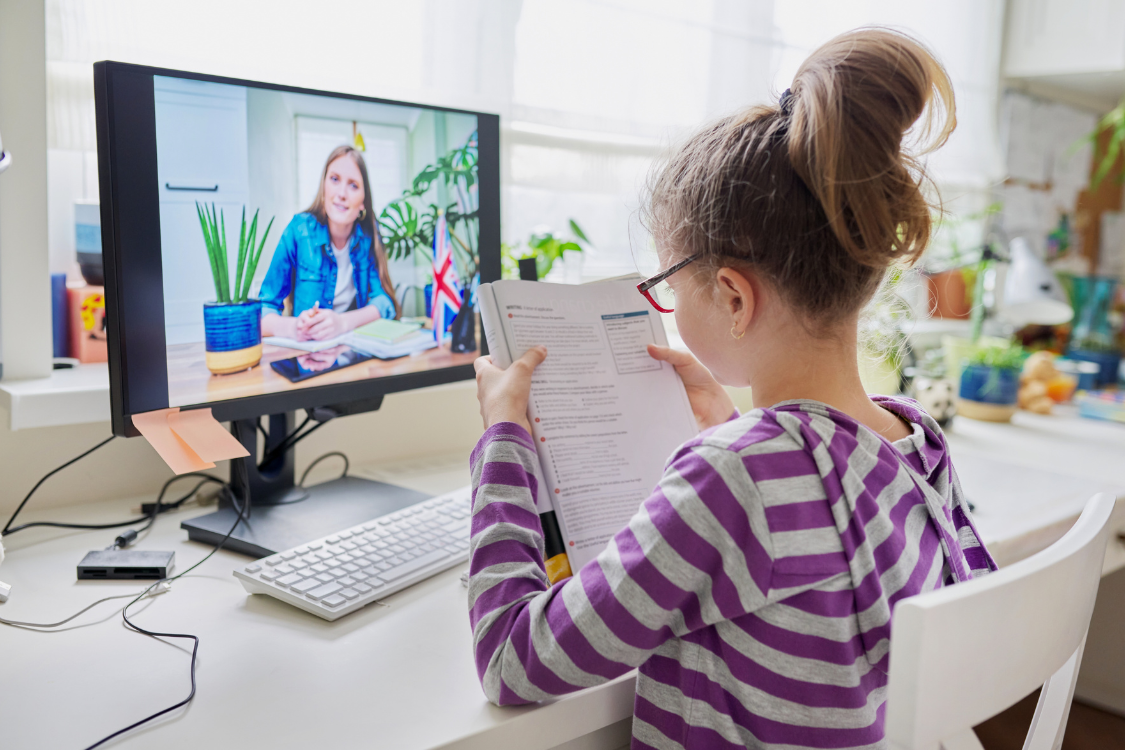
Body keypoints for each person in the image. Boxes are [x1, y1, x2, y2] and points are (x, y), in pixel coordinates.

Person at [466, 28, 997, 749]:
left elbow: (512, 661)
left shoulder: (738, 478)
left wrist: (503, 440)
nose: (666, 309)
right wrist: (728, 427)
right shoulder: (915, 445)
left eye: (664, 286)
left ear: (733, 299)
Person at [259, 146, 399, 341]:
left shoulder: (367, 236)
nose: (342, 193)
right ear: (323, 188)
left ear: (363, 203)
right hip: (307, 359)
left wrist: (342, 323)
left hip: (353, 355)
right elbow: (263, 310)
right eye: (334, 179)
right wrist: (294, 327)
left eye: (353, 185)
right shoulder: (298, 230)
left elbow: (384, 303)